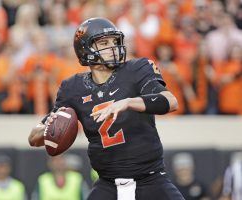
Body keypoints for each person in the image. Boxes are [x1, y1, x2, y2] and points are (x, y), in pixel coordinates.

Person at [28, 17, 184, 200]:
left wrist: (127, 102)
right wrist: (49, 129)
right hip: (107, 184)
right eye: (104, 43)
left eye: (114, 41)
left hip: (151, 180)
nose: (112, 47)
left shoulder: (137, 69)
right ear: (85, 49)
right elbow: (34, 138)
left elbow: (171, 102)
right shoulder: (73, 88)